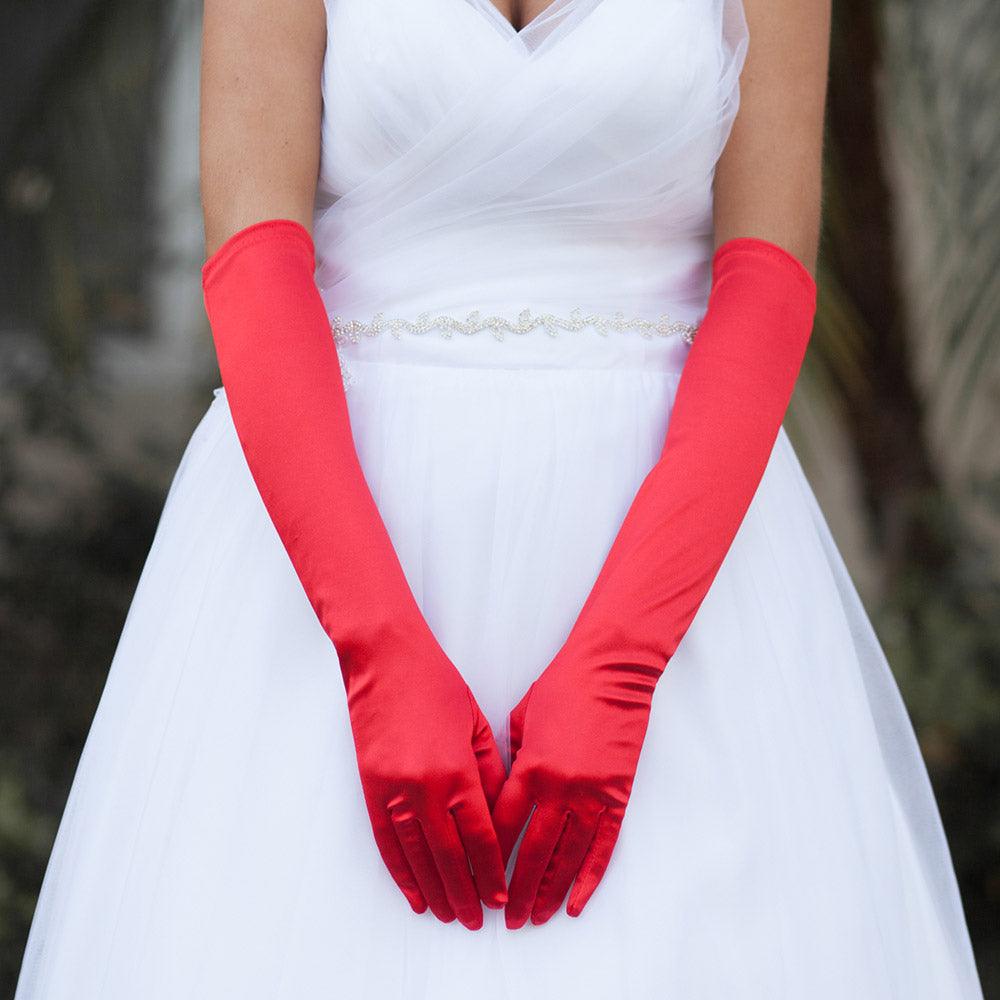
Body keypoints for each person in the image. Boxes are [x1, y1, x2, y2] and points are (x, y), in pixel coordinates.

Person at [15, 0, 986, 997]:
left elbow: (765, 280)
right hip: (335, 543)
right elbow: (258, 262)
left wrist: (623, 658)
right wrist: (375, 650)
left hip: (671, 558)